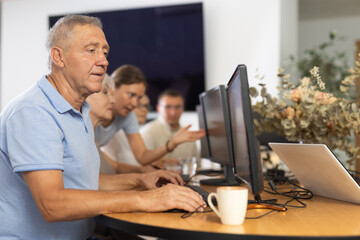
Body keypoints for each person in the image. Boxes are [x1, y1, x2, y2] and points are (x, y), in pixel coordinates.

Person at [0, 15, 205, 239]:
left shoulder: (80, 112)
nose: (104, 61)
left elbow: (86, 181)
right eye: (91, 50)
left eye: (105, 52)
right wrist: (145, 199)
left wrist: (140, 180)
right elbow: (52, 204)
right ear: (59, 56)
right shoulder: (34, 112)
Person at [96, 64, 205, 167]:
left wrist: (172, 143)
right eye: (131, 94)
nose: (134, 103)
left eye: (139, 98)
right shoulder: (94, 109)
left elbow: (142, 156)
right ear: (112, 88)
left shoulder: (128, 117)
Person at [88, 74, 155, 174]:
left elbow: (112, 168)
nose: (112, 100)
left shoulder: (90, 137)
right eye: (105, 93)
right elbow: (100, 182)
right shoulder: (79, 136)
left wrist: (144, 173)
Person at [140, 89, 200, 163]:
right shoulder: (147, 132)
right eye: (168, 107)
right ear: (158, 109)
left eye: (177, 107)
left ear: (183, 108)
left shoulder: (188, 135)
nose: (173, 112)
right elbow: (144, 165)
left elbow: (197, 164)